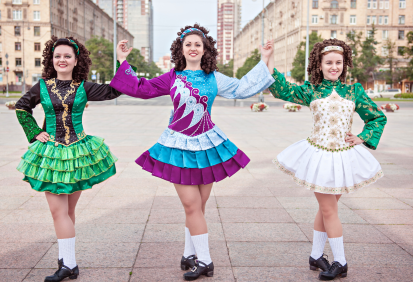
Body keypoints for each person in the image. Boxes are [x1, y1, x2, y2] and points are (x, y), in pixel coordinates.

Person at [110, 24, 275, 281]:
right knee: (192, 205)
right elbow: (142, 88)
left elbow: (242, 88)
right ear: (181, 49)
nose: (193, 48)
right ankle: (205, 261)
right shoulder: (172, 77)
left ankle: (190, 254)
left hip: (207, 146)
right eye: (188, 44)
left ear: (205, 49)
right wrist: (122, 61)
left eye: (198, 44)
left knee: (198, 207)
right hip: (179, 147)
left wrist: (265, 58)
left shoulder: (214, 78)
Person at [267, 39, 387, 280]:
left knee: (326, 209)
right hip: (319, 155)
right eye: (329, 63)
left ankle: (316, 256)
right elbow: (281, 88)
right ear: (319, 65)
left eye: (339, 63)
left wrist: (362, 137)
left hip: (344, 159)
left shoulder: (355, 91)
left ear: (345, 64)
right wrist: (268, 59)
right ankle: (340, 261)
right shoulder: (312, 89)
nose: (334, 67)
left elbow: (377, 117)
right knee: (329, 209)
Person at [15, 36, 122, 282]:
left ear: (76, 61)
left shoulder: (84, 86)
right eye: (57, 56)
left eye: (67, 56)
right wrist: (34, 133)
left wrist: (122, 61)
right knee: (58, 212)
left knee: (68, 211)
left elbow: (115, 90)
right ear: (51, 61)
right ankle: (68, 263)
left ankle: (68, 263)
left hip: (78, 153)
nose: (62, 60)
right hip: (51, 154)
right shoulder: (42, 86)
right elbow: (22, 107)